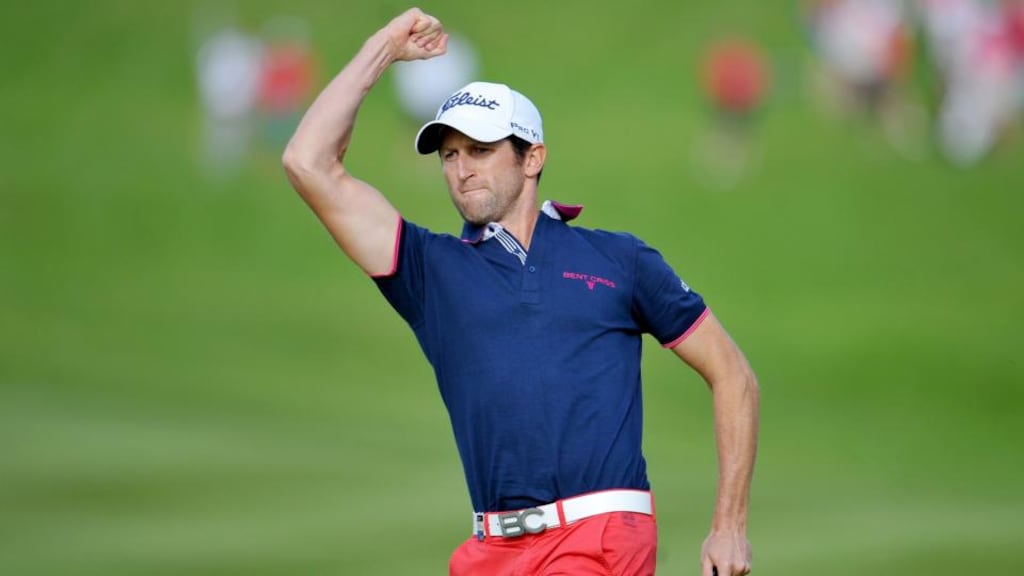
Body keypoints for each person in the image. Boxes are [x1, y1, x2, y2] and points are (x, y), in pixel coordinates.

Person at [282, 8, 759, 576]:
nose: (461, 170)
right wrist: (383, 47)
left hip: (601, 538)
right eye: (449, 155)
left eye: (480, 151)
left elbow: (733, 374)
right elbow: (307, 162)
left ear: (532, 158)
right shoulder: (430, 270)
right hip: (488, 552)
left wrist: (728, 527)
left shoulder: (618, 259)